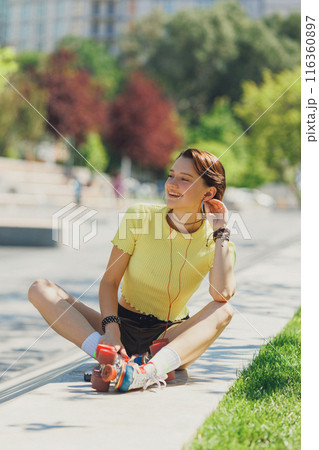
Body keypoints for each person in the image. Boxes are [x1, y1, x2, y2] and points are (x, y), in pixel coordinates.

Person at [28, 148, 236, 392]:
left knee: (225, 310)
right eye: (171, 175)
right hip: (120, 323)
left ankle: (147, 372)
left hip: (169, 339)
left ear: (209, 193)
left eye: (184, 179)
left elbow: (221, 294)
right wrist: (112, 332)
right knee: (40, 289)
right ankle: (111, 356)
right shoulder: (140, 216)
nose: (172, 184)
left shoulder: (218, 240)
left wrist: (221, 231)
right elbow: (109, 282)